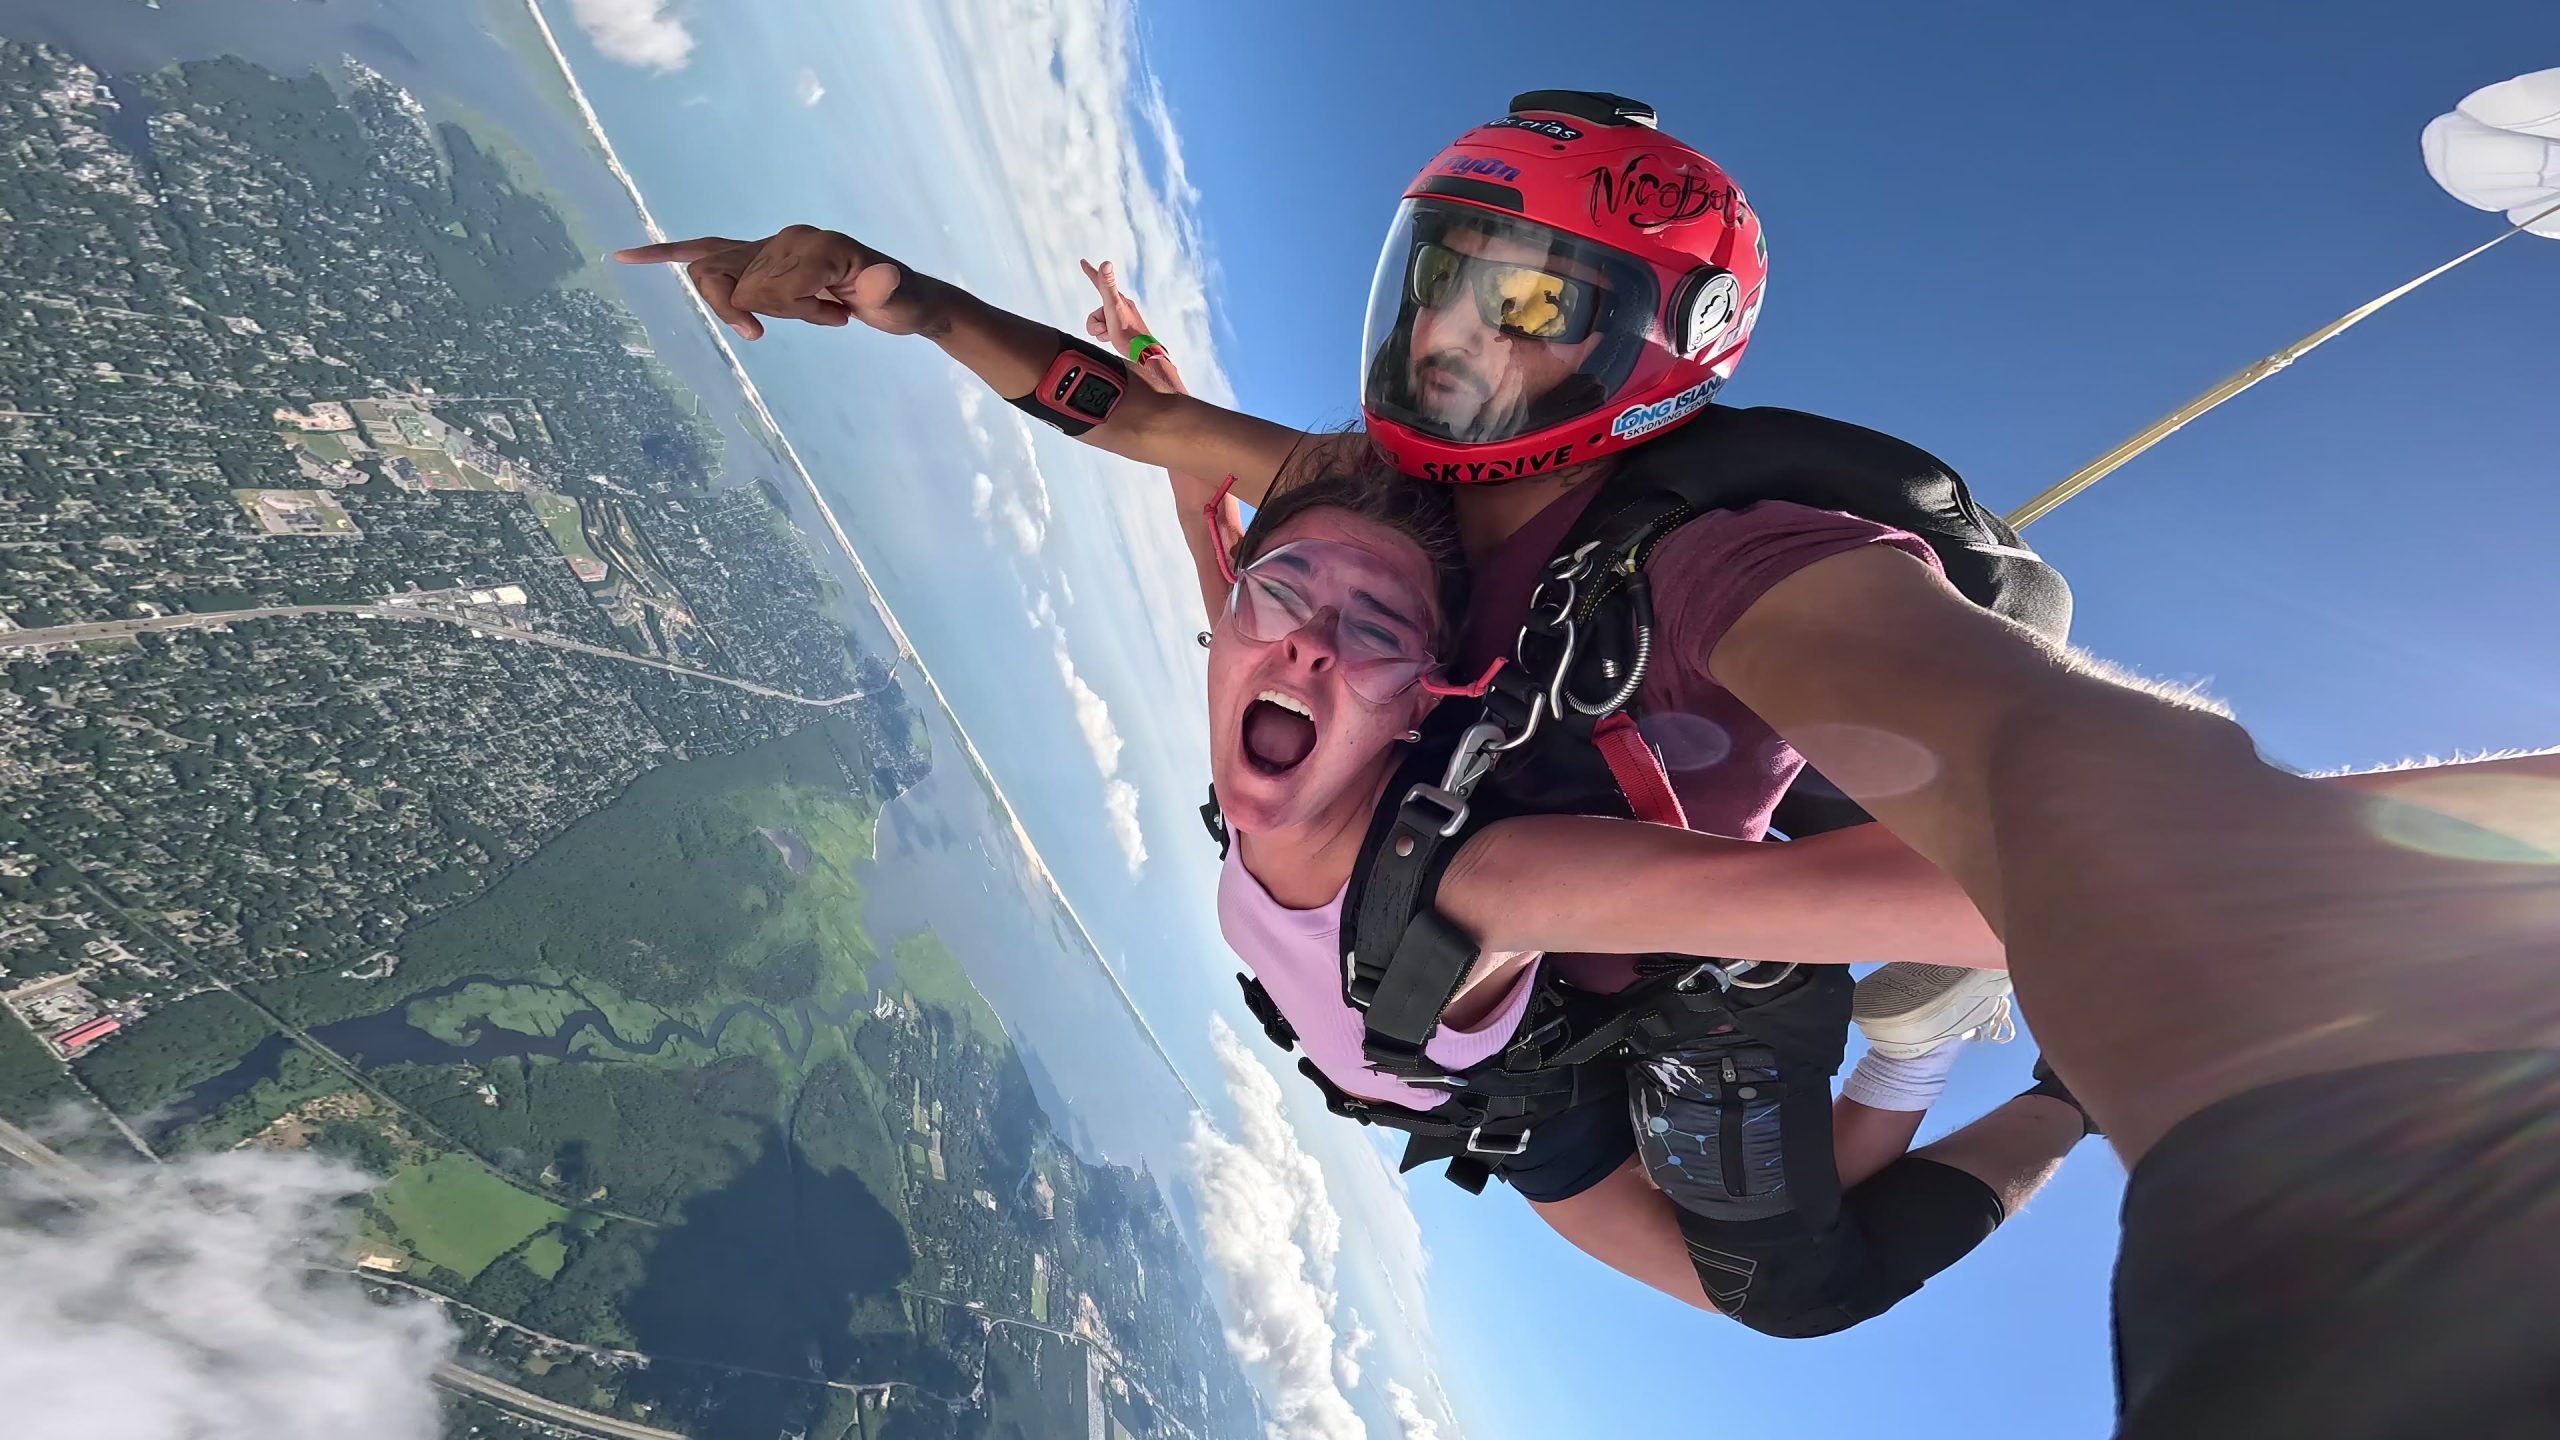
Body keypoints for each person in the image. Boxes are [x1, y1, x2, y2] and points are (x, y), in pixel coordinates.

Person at [618, 89, 2560, 1433]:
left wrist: (2284, 1147)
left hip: (1639, 965)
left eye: (1528, 309)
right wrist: (888, 293)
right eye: (1442, 280)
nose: (1455, 348)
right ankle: (1961, 1004)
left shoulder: (1734, 570)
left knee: (1795, 1289)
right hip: (1519, 1023)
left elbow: (2040, 767)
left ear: (1656, 339)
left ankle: (1999, 1064)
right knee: (1797, 1206)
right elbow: (1129, 421)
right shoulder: (1352, 504)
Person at [1072, 258, 2054, 1331]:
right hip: (1507, 1091)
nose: (1298, 644)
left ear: (1413, 698)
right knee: (1792, 1249)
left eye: (1365, 633)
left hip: (1529, 1109)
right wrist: (1150, 390)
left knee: (1799, 1292)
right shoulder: (1274, 686)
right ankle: (1961, 1058)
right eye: (1279, 603)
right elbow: (1220, 551)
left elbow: (2024, 903)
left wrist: (2187, 879)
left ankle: (2003, 1080)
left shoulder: (1481, 881)